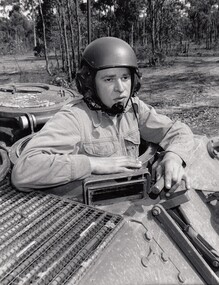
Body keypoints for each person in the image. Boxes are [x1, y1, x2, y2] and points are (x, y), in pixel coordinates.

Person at [11, 37, 194, 195]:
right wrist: (92, 164)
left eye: (125, 77)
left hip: (132, 199)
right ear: (91, 83)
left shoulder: (134, 108)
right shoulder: (74, 117)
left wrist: (174, 157)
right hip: (92, 209)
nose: (120, 88)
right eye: (108, 79)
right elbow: (24, 170)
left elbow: (178, 130)